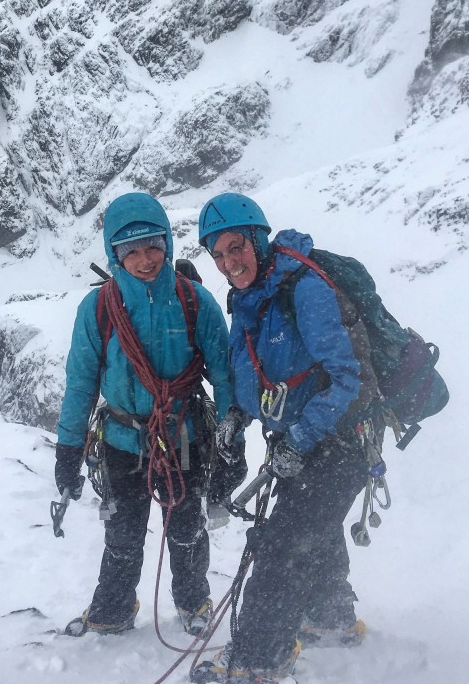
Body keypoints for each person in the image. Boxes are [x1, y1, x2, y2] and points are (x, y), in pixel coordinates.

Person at [192, 192, 371, 684]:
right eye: (219, 254)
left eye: (237, 248)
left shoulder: (303, 290)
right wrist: (236, 415)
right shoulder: (246, 301)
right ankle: (330, 618)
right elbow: (249, 372)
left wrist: (300, 440)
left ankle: (258, 659)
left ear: (258, 240)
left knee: (280, 549)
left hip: (334, 447)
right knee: (311, 532)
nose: (230, 262)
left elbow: (344, 378)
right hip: (296, 447)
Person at [55, 191, 234, 638]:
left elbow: (227, 375)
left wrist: (234, 434)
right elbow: (80, 383)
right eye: (130, 251)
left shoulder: (194, 302)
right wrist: (68, 449)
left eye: (153, 246)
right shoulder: (98, 309)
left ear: (168, 243)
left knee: (187, 531)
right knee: (123, 536)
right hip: (121, 442)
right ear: (115, 255)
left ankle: (193, 602)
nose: (145, 259)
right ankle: (113, 608)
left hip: (183, 437)